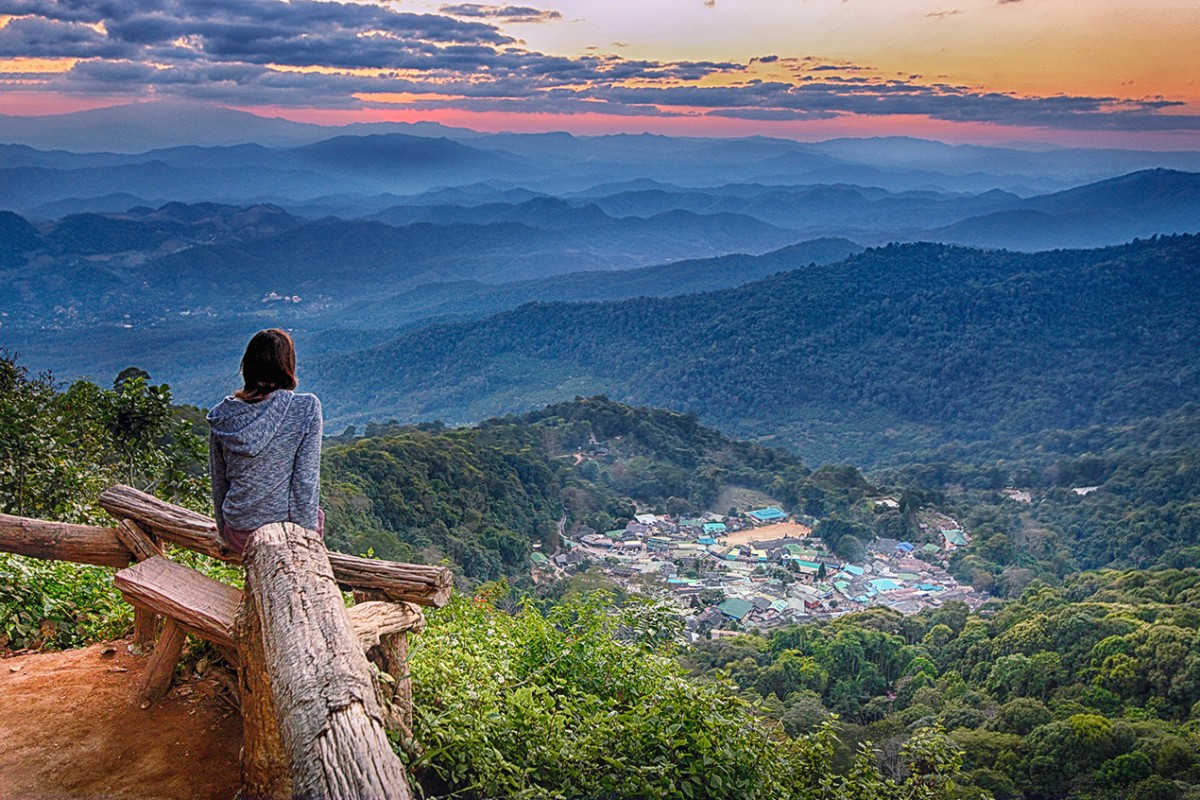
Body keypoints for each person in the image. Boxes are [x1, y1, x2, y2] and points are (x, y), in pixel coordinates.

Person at [207, 328, 323, 554]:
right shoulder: (305, 408)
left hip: (238, 533)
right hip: (281, 533)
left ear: (248, 365)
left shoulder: (222, 415)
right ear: (287, 365)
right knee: (316, 515)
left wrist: (225, 532)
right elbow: (305, 482)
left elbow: (219, 482)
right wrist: (304, 541)